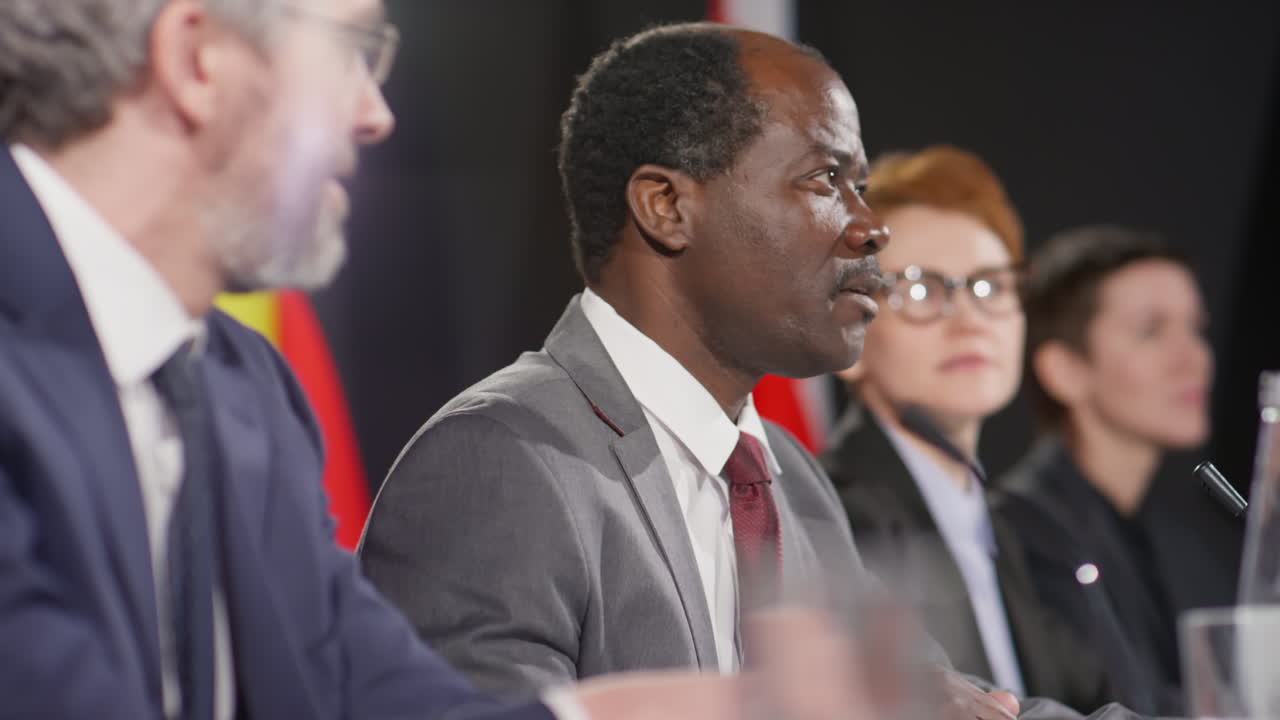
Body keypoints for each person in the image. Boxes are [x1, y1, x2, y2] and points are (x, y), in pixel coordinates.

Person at [0, 3, 864, 719]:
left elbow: (370, 693)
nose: (374, 113)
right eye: (351, 50)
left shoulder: (245, 388)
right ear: (199, 59)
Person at [359, 22, 1131, 720]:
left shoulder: (791, 479)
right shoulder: (503, 458)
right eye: (825, 180)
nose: (871, 228)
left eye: (861, 188)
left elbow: (957, 705)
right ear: (667, 207)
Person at [819, 146, 1114, 713]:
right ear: (849, 331)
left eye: (990, 287)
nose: (969, 320)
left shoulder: (1016, 530)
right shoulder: (827, 516)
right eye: (922, 289)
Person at [991, 225, 1217, 715]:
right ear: (1064, 370)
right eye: (1151, 331)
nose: (1194, 358)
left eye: (1195, 329)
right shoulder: (1027, 535)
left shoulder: (1146, 529)